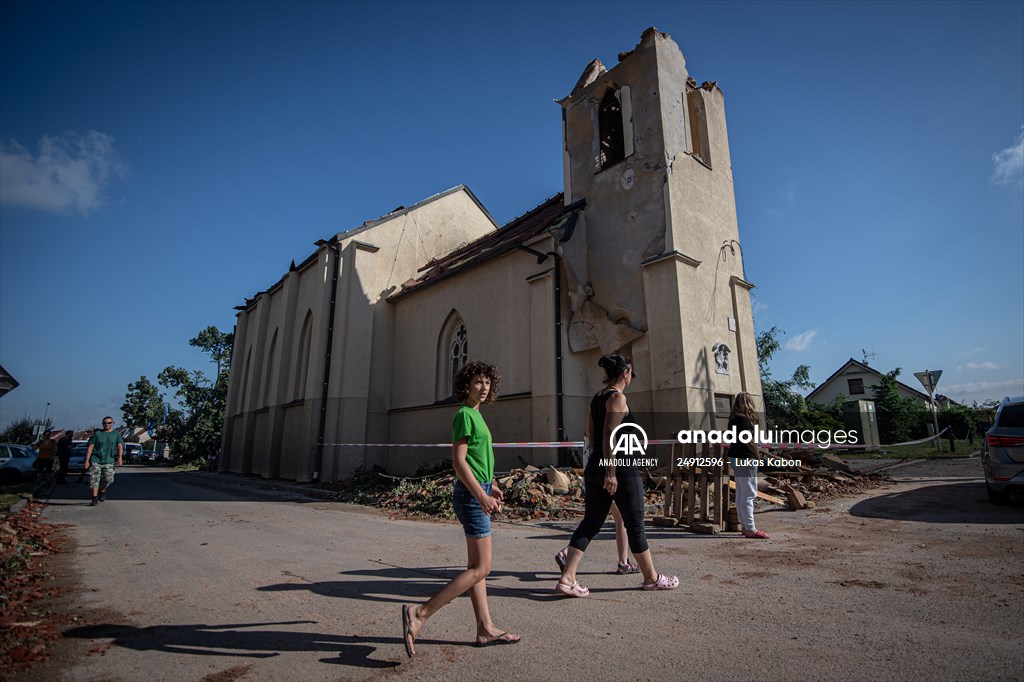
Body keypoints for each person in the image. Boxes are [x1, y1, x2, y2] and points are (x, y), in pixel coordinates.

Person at [401, 361, 520, 656]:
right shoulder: (465, 415)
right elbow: (459, 462)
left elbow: (478, 459)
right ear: (466, 385)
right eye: (478, 382)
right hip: (470, 498)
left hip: (476, 491)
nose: (483, 388)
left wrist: (489, 484)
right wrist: (481, 495)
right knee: (482, 568)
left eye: (488, 383)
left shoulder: (477, 415)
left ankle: (485, 628)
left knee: (476, 569)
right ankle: (421, 614)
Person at [556, 354, 679, 597]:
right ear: (625, 374)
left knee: (591, 523)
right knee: (635, 523)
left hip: (596, 466)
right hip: (620, 469)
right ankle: (651, 578)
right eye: (631, 373)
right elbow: (609, 434)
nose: (631, 377)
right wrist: (611, 472)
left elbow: (590, 435)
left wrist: (600, 465)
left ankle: (567, 579)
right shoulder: (617, 397)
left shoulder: (596, 399)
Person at [727, 392, 769, 539]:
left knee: (741, 492)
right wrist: (757, 455)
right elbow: (748, 441)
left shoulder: (732, 419)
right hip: (745, 458)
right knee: (749, 493)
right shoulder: (744, 420)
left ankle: (745, 525)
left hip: (735, 456)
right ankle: (750, 528)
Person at [84, 417, 124, 507]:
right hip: (96, 459)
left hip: (109, 460)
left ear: (112, 423)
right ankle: (94, 498)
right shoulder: (97, 434)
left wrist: (120, 457)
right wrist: (87, 461)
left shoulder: (116, 434)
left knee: (108, 478)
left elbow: (120, 446)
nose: (107, 425)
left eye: (109, 423)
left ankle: (102, 490)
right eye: (105, 423)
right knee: (94, 479)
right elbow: (90, 447)